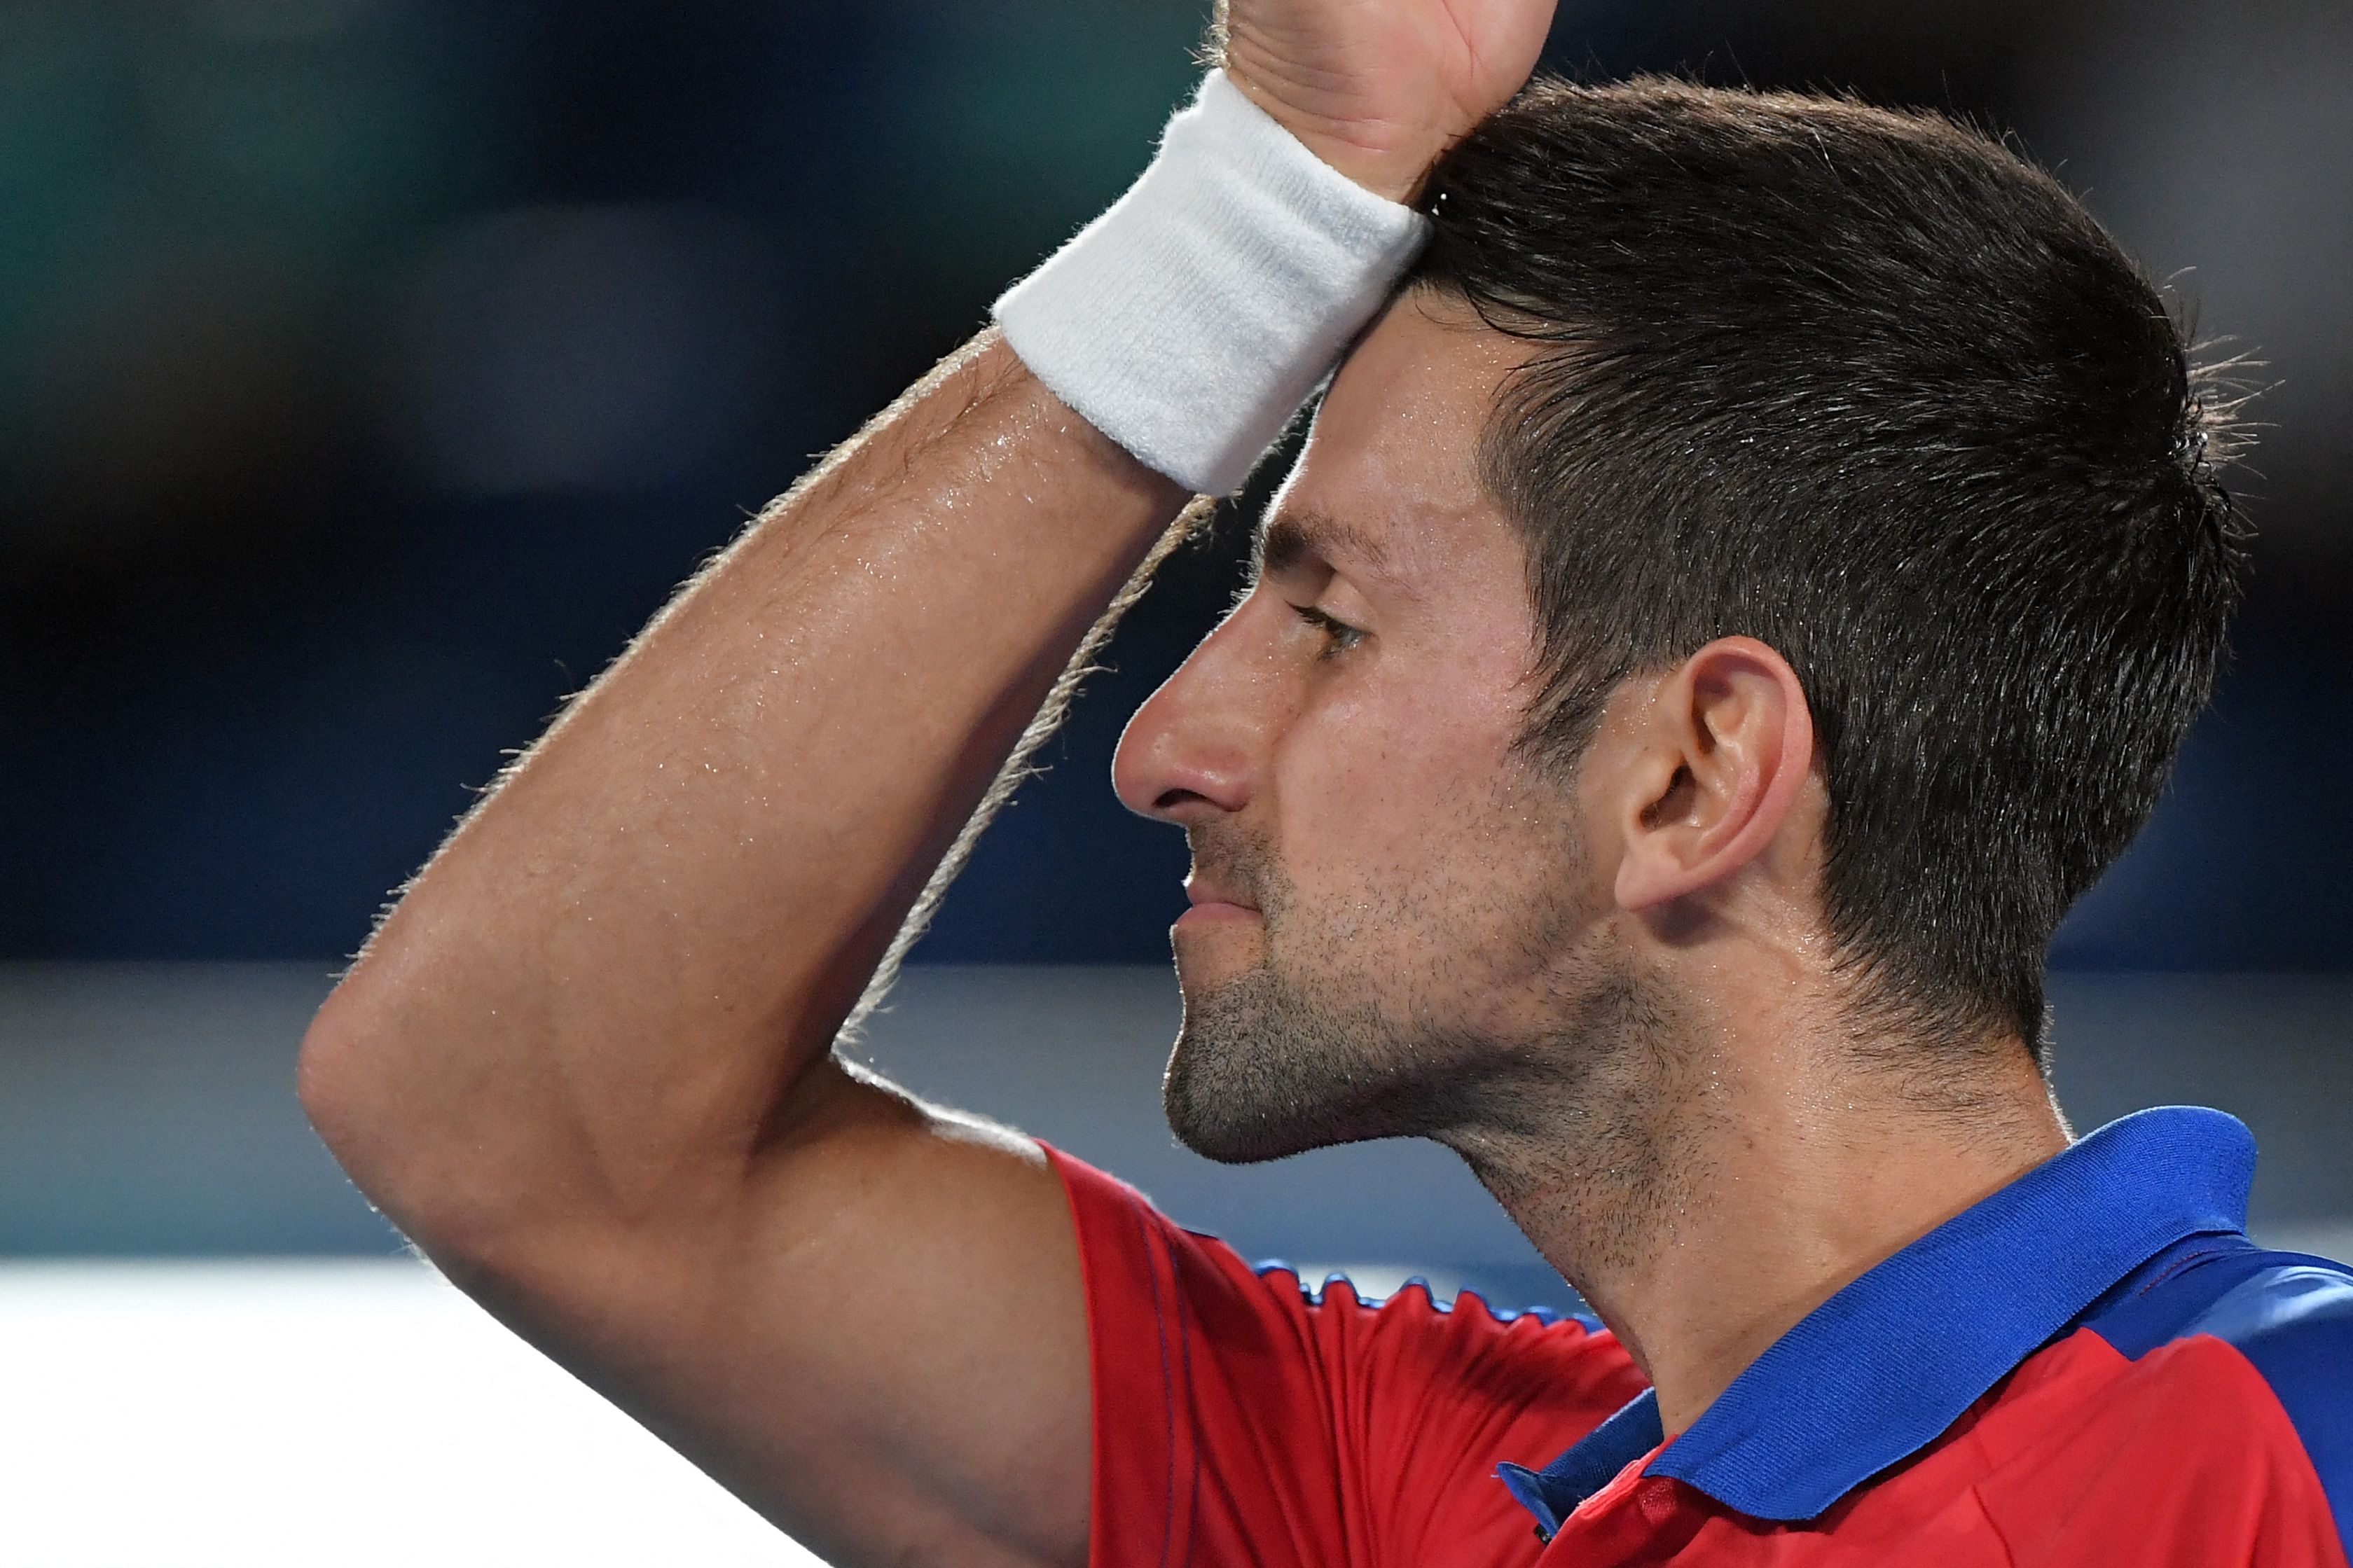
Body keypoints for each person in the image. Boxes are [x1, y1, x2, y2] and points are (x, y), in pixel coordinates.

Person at [297, 0, 2353, 1562]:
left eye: (1330, 618)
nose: (1163, 748)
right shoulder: (1398, 1496)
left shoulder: (2295, 1452)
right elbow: (509, 1117)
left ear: (1696, 772)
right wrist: (1263, 194)